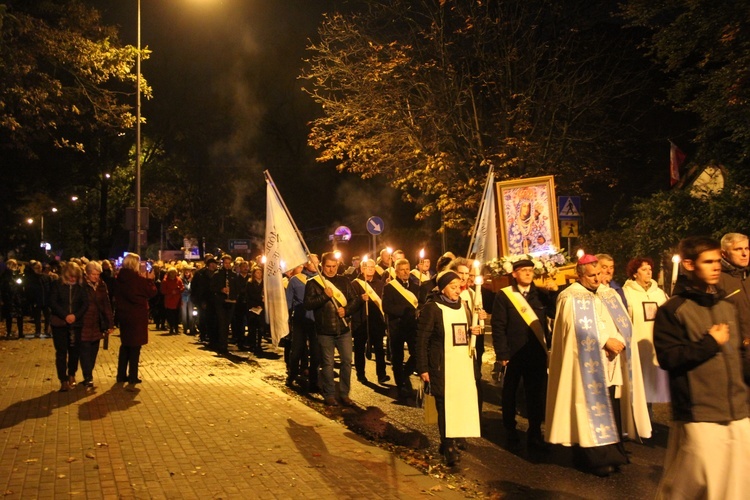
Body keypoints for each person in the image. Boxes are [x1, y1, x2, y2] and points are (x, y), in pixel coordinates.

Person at [653, 236, 750, 499]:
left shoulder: (727, 305)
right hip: (699, 412)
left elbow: (739, 358)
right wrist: (709, 343)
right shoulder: (673, 310)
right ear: (688, 264)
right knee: (693, 485)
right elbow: (669, 358)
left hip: (738, 411)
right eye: (708, 262)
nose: (716, 267)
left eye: (718, 261)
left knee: (736, 486)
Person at [546, 254, 651, 477]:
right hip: (584, 365)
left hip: (611, 360)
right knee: (589, 408)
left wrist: (621, 340)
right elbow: (573, 331)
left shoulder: (609, 293)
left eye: (599, 274)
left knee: (610, 406)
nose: (596, 279)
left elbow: (622, 322)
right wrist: (604, 341)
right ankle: (594, 457)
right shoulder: (569, 297)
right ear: (580, 275)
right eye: (591, 276)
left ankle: (614, 452)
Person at [416, 270, 482, 465]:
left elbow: (465, 332)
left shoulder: (463, 306)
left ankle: (451, 440)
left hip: (462, 364)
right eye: (452, 287)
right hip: (441, 366)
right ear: (442, 288)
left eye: (458, 287)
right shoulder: (433, 308)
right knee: (445, 406)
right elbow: (422, 340)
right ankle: (448, 445)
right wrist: (423, 367)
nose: (457, 291)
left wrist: (473, 330)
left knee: (458, 405)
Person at [491, 259, 556, 449]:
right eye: (523, 270)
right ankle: (510, 428)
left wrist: (553, 294)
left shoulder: (541, 295)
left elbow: (554, 313)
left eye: (530, 270)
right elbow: (498, 326)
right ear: (514, 274)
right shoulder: (505, 296)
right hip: (513, 353)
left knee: (535, 393)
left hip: (535, 353)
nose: (528, 274)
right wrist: (502, 353)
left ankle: (535, 430)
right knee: (510, 391)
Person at [304, 252, 361, 406]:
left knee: (347, 362)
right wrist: (324, 296)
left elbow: (355, 301)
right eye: (328, 266)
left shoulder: (344, 280)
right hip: (324, 330)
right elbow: (308, 304)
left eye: (334, 266)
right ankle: (329, 394)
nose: (331, 269)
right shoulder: (314, 283)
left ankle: (344, 394)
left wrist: (346, 310)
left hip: (343, 330)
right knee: (328, 363)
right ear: (322, 266)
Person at [622, 257, 670, 412]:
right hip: (636, 345)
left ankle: (649, 423)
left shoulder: (659, 293)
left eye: (650, 268)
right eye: (644, 269)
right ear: (635, 274)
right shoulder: (626, 293)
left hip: (655, 345)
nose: (648, 272)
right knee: (638, 386)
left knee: (652, 386)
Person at [114, 253, 157, 390]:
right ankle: (133, 375)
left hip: (124, 315)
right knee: (135, 347)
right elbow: (151, 292)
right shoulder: (137, 280)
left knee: (125, 345)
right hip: (137, 316)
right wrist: (150, 281)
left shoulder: (120, 278)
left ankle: (121, 374)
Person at [383, 258, 420, 400]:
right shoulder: (390, 287)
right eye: (402, 270)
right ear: (396, 272)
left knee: (416, 353)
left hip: (412, 327)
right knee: (397, 358)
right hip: (397, 327)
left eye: (407, 269)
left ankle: (405, 373)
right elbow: (386, 307)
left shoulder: (416, 287)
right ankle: (401, 385)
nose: (405, 272)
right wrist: (405, 310)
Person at [49, 263, 88, 392]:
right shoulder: (57, 285)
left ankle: (72, 374)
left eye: (75, 277)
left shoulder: (81, 287)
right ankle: (63, 379)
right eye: (70, 276)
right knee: (61, 352)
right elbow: (53, 302)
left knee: (74, 351)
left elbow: (85, 304)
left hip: (76, 323)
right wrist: (65, 315)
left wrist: (75, 316)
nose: (73, 279)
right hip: (60, 323)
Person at [718, 232, 750, 385]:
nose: (744, 253)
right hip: (735, 357)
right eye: (738, 249)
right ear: (724, 253)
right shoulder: (717, 280)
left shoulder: (748, 276)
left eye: (747, 248)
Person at [351, 259, 390, 384]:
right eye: (368, 267)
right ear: (362, 269)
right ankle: (361, 374)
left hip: (376, 322)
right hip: (360, 321)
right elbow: (351, 303)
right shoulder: (355, 284)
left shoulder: (380, 284)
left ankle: (382, 374)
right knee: (359, 349)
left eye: (373, 266)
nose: (371, 269)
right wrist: (360, 299)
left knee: (379, 349)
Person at [286, 256, 320, 393]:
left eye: (317, 262)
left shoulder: (322, 279)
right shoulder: (295, 279)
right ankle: (292, 375)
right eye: (313, 262)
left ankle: (313, 380)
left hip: (316, 320)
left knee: (316, 353)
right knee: (297, 350)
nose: (316, 264)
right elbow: (288, 302)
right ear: (306, 264)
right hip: (300, 319)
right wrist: (287, 320)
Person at [80, 261, 114, 388]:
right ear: (87, 274)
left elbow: (106, 304)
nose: (96, 277)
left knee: (93, 350)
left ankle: (88, 374)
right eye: (93, 274)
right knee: (84, 350)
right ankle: (88, 376)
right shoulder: (81, 285)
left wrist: (110, 323)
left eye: (98, 274)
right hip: (84, 322)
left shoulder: (101, 285)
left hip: (97, 323)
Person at [209, 254, 240, 354]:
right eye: (225, 263)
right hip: (220, 302)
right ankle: (221, 346)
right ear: (222, 263)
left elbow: (236, 289)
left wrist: (234, 297)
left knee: (227, 324)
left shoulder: (233, 275)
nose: (227, 265)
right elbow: (212, 288)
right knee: (221, 324)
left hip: (231, 302)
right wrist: (221, 289)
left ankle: (224, 344)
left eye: (228, 263)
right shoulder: (217, 274)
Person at [191, 257, 217, 343]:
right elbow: (195, 287)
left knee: (212, 318)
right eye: (212, 264)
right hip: (202, 299)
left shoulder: (218, 274)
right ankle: (203, 334)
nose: (214, 266)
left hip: (214, 300)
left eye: (215, 264)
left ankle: (211, 335)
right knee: (203, 317)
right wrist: (198, 300)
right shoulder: (200, 274)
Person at [1, 259, 25, 338]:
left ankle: (20, 332)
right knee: (9, 316)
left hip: (17, 297)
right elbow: (3, 286)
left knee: (19, 315)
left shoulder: (18, 274)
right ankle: (8, 332)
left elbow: (21, 286)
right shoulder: (5, 275)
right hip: (8, 297)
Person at [246, 265, 265, 354]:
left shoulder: (264, 284)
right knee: (252, 327)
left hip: (261, 308)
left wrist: (262, 305)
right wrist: (255, 305)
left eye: (260, 272)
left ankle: (259, 344)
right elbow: (249, 296)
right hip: (252, 308)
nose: (259, 274)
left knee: (260, 327)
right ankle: (252, 344)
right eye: (257, 272)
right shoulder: (250, 283)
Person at [160, 267, 184, 335]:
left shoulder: (178, 279)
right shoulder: (165, 280)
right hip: (169, 300)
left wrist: (178, 291)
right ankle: (171, 327)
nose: (173, 274)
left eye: (174, 273)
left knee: (176, 315)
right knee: (170, 315)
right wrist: (170, 292)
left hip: (177, 300)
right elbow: (163, 290)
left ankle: (176, 328)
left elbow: (182, 287)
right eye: (172, 273)